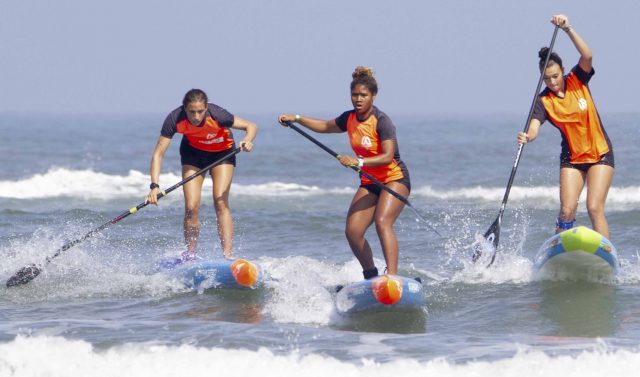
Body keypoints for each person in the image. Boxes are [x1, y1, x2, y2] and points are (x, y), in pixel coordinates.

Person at [278, 66, 410, 279]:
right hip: (370, 181)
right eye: (354, 95)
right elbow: (325, 126)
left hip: (395, 179)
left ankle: (392, 277)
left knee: (382, 222)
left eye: (363, 95)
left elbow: (387, 155)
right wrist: (297, 118)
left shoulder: (382, 121)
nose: (358, 99)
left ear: (373, 96)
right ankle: (371, 277)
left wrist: (358, 161)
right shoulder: (349, 119)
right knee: (353, 231)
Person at [517, 15, 614, 238]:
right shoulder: (543, 101)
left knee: (594, 208)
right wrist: (527, 137)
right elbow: (534, 127)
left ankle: (607, 254)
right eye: (547, 79)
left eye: (555, 76)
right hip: (572, 158)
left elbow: (587, 55)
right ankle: (560, 250)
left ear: (562, 70)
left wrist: (568, 29)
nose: (552, 82)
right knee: (567, 210)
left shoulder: (577, 79)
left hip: (600, 153)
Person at [146, 89, 257, 260]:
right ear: (185, 108)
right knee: (191, 207)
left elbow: (251, 126)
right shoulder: (175, 118)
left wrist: (248, 140)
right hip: (193, 155)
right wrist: (154, 186)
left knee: (220, 201)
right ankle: (190, 254)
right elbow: (158, 154)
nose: (196, 116)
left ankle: (227, 257)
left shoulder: (218, 114)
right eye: (192, 112)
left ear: (206, 108)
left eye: (200, 111)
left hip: (222, 154)